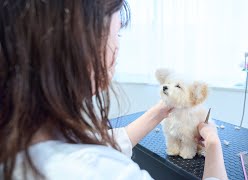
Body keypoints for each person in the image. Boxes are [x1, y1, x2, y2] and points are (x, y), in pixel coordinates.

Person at [0, 0, 228, 179]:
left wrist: (161, 110)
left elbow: (108, 142)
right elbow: (97, 159)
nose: (118, 47)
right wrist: (214, 145)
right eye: (116, 33)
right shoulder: (97, 171)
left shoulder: (19, 138)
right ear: (80, 44)